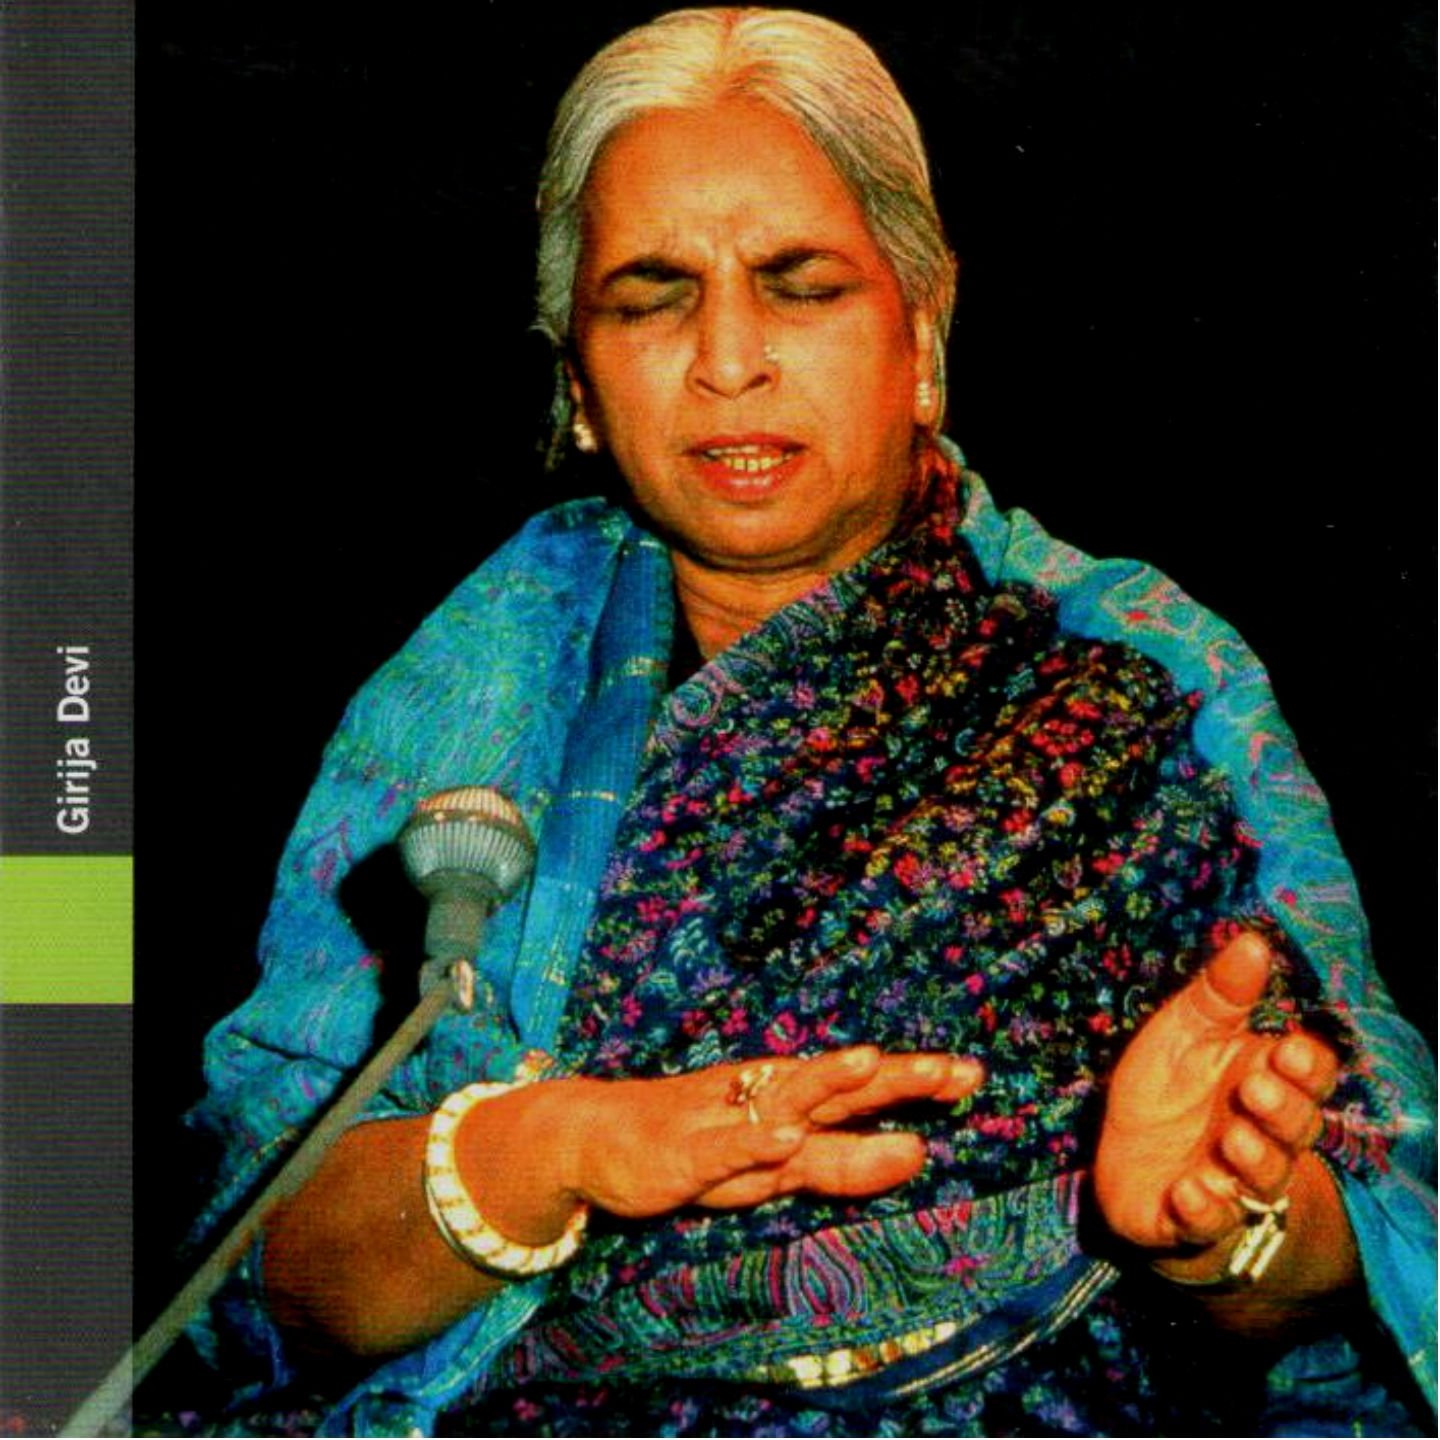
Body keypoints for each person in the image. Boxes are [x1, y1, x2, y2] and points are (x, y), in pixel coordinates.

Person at [179, 9, 1434, 1435]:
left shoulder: (1136, 680)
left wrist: (1219, 1232)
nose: (728, 358)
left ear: (921, 329)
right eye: (650, 297)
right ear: (578, 379)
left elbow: (1372, 1234)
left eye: (801, 286)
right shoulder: (473, 694)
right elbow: (262, 1282)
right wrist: (554, 1150)